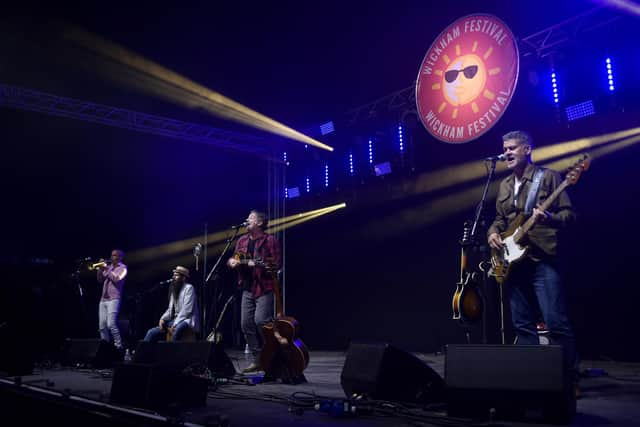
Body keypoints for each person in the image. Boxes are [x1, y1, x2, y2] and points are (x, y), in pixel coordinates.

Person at [487, 130, 577, 379]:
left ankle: (569, 378)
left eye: (512, 148)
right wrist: (492, 234)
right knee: (523, 325)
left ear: (527, 150)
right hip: (514, 262)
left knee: (555, 322)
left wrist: (549, 217)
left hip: (542, 258)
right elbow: (499, 220)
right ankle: (533, 378)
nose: (507, 153)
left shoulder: (547, 177)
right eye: (505, 149)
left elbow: (569, 215)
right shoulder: (504, 185)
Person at [228, 210, 281, 373]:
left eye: (251, 218)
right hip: (247, 288)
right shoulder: (242, 241)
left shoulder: (270, 240)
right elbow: (235, 258)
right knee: (245, 324)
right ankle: (258, 359)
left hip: (264, 287)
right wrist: (232, 262)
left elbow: (276, 264)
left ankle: (271, 356)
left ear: (260, 222)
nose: (247, 220)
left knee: (261, 322)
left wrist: (259, 264)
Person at [144, 266, 199, 342]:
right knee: (151, 332)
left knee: (175, 332)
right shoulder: (175, 290)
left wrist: (175, 323)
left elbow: (187, 310)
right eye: (174, 275)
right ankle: (142, 353)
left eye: (176, 275)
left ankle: (170, 352)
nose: (173, 277)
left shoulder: (189, 288)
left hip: (187, 320)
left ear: (183, 278)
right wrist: (162, 319)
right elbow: (170, 309)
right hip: (175, 321)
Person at [97, 249, 127, 350]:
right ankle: (105, 348)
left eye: (114, 255)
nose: (112, 257)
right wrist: (100, 269)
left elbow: (117, 279)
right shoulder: (108, 267)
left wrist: (106, 268)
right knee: (102, 326)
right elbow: (100, 280)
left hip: (114, 299)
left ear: (120, 257)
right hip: (103, 299)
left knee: (111, 324)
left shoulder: (123, 268)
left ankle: (119, 346)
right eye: (112, 255)